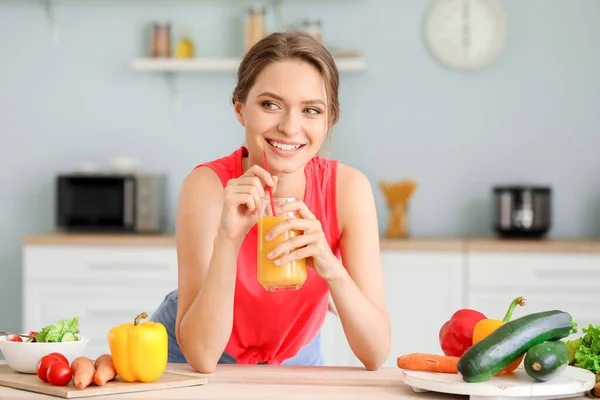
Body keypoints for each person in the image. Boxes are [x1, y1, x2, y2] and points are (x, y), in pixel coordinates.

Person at [151, 30, 391, 373]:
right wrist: (228, 240)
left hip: (295, 352)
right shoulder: (206, 187)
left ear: (330, 119)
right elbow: (201, 357)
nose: (290, 127)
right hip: (190, 349)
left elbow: (375, 353)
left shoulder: (348, 190)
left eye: (310, 110)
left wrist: (329, 265)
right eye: (270, 105)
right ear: (240, 109)